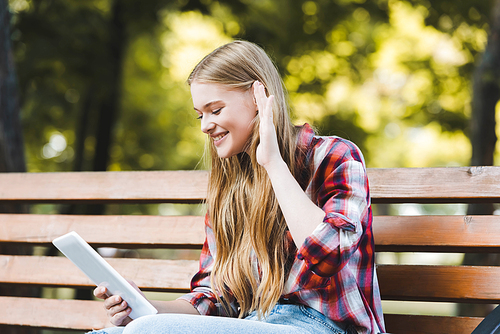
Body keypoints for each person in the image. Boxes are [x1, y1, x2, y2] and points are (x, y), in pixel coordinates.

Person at [90, 40, 385, 334]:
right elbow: (214, 297)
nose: (205, 126)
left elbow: (327, 254)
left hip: (323, 327)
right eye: (200, 115)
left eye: (215, 110)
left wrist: (273, 164)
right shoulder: (229, 186)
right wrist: (146, 311)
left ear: (259, 98)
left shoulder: (333, 156)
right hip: (253, 325)